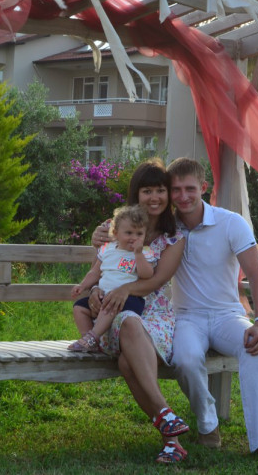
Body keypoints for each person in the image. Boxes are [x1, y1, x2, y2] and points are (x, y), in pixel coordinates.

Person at [165, 157, 258, 463]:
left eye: (189, 188)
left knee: (256, 346)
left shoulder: (230, 222)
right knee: (185, 359)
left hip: (227, 315)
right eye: (176, 190)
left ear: (203, 187)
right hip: (186, 317)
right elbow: (125, 230)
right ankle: (208, 424)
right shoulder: (165, 227)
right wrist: (101, 234)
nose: (183, 196)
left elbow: (257, 274)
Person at [86, 158, 190, 464]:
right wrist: (94, 291)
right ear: (136, 194)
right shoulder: (116, 227)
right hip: (110, 317)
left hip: (154, 318)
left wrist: (125, 290)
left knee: (127, 359)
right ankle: (168, 418)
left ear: (168, 194)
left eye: (160, 190)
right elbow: (102, 269)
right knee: (127, 322)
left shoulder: (174, 237)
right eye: (147, 191)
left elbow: (156, 281)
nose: (154, 197)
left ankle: (171, 440)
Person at [68, 205, 155, 352]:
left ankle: (93, 337)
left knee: (110, 305)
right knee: (79, 308)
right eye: (129, 233)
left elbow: (147, 274)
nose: (134, 238)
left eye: (139, 234)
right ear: (115, 233)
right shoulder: (107, 249)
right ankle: (89, 341)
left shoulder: (144, 253)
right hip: (105, 297)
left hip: (129, 299)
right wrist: (82, 285)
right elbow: (94, 272)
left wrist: (138, 254)